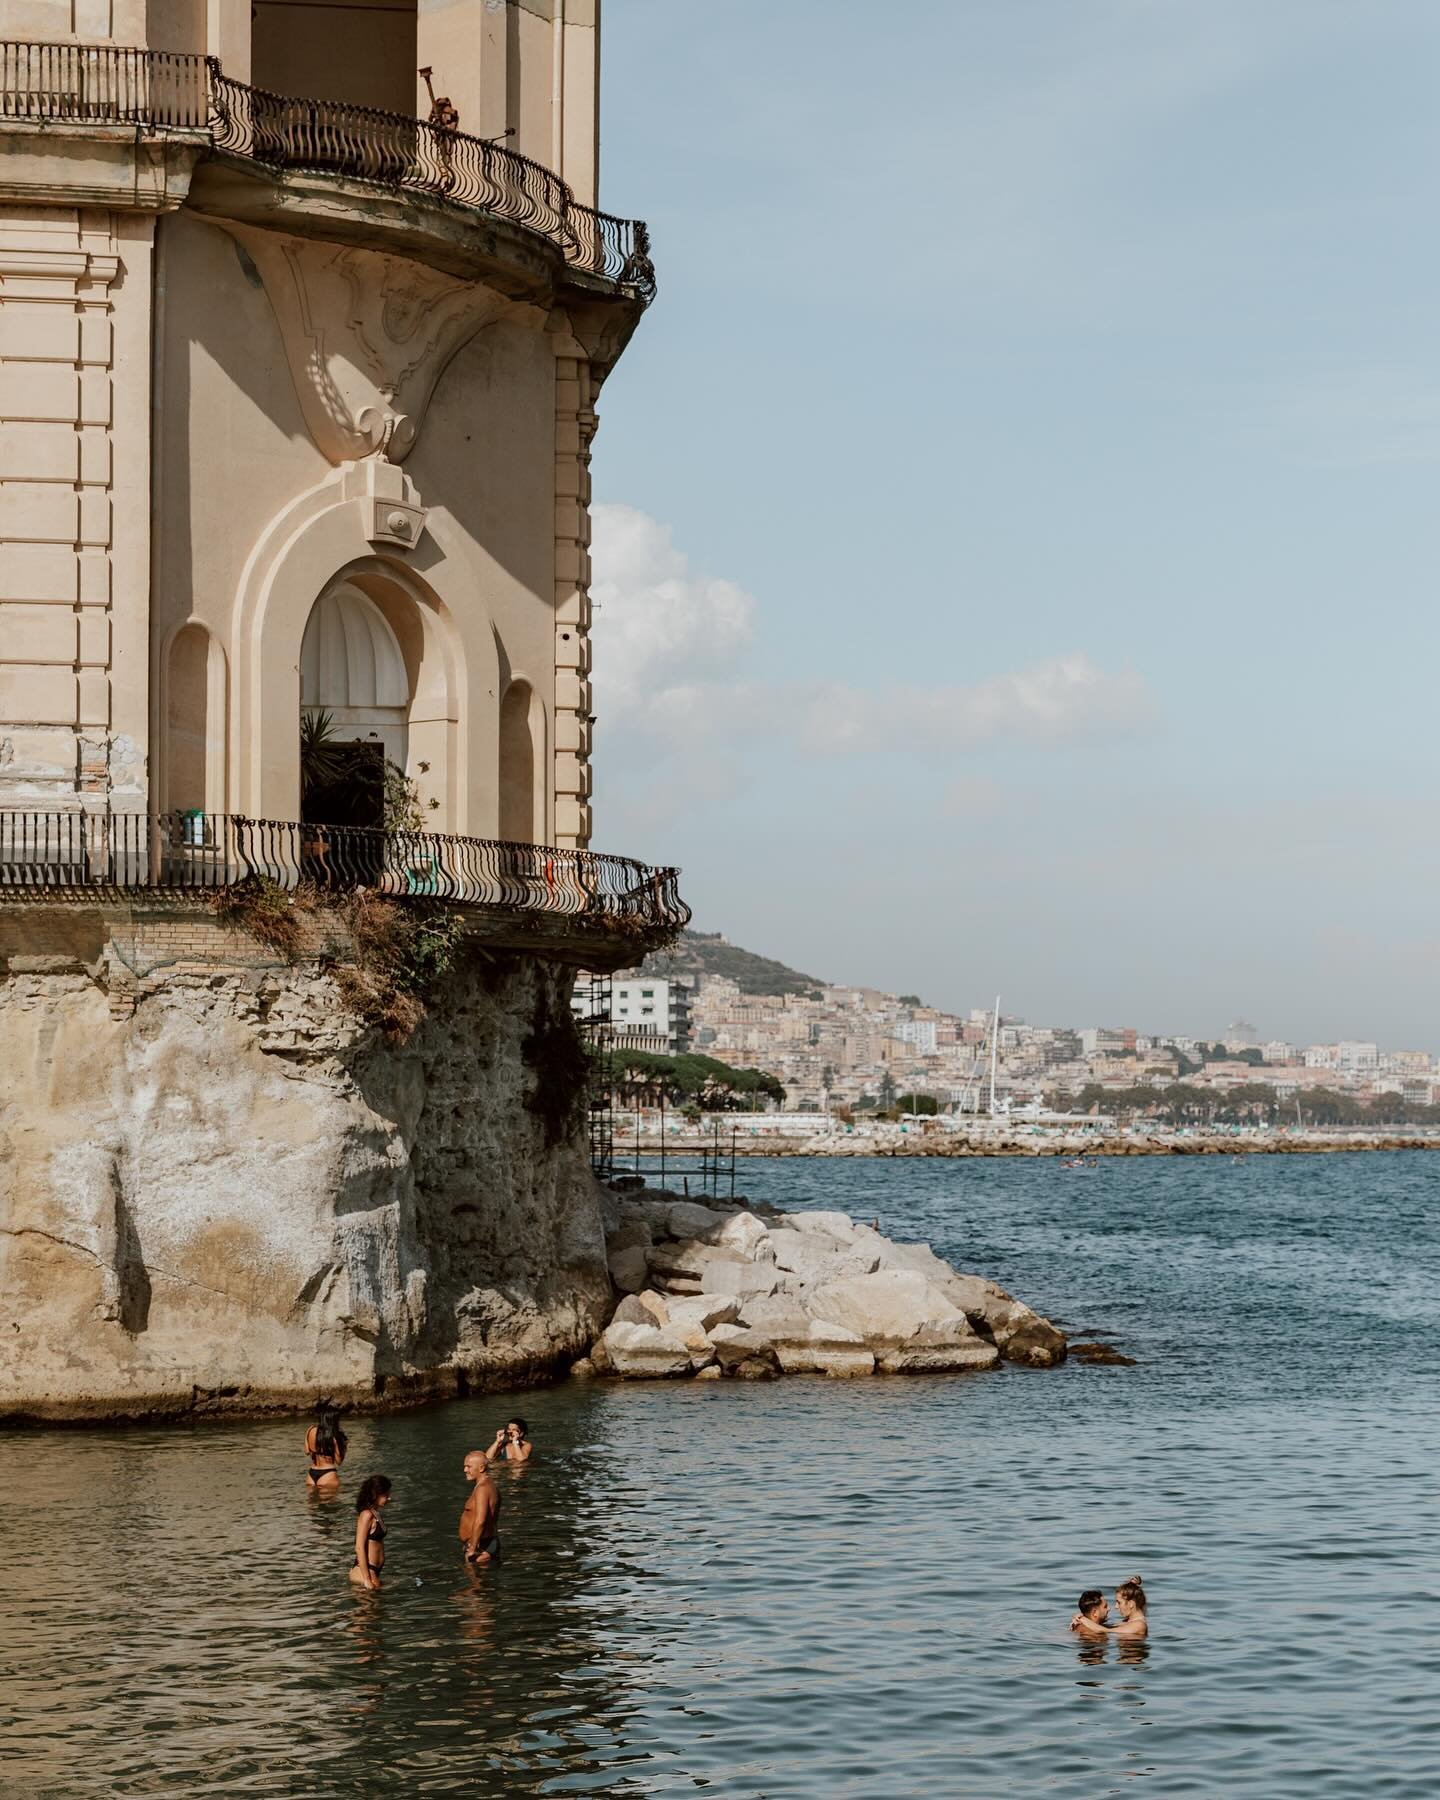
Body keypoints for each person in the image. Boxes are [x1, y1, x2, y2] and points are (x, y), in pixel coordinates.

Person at [458, 1450, 502, 1566]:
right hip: (481, 1544)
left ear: (481, 1468)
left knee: (475, 1583)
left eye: (468, 1467)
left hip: (481, 1546)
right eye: (465, 1466)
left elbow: (480, 1520)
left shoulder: (483, 1488)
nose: (465, 1470)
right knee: (477, 1582)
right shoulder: (487, 1484)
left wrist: (472, 1548)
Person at [1072, 1577, 1148, 1640]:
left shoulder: (1139, 1625)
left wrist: (1082, 1618)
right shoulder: (1128, 1622)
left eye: (1119, 1602)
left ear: (1131, 1604)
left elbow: (1105, 1630)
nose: (1116, 1607)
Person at [350, 1475, 392, 1590]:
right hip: (365, 1571)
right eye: (386, 1495)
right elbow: (359, 1547)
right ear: (375, 1494)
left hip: (373, 1571)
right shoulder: (366, 1515)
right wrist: (367, 1580)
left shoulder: (375, 1513)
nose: (389, 1498)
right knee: (369, 1607)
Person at [305, 1400, 347, 1493]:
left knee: (313, 1506)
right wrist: (344, 1446)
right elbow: (339, 1461)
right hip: (328, 1474)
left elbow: (307, 1451)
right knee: (331, 1506)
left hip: (311, 1474)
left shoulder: (310, 1430)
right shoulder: (335, 1436)